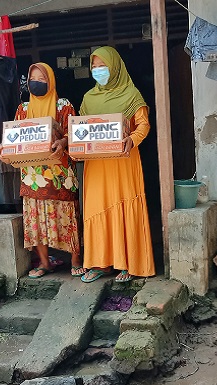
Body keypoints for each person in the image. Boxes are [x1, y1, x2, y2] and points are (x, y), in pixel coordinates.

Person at [0, 62, 85, 278]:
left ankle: (75, 259)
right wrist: (4, 148)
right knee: (36, 218)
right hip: (32, 174)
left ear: (51, 81)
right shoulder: (23, 109)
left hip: (60, 175)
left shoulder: (63, 105)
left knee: (67, 216)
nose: (36, 83)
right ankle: (45, 262)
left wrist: (63, 142)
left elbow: (73, 133)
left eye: (42, 79)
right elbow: (15, 137)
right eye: (33, 79)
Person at [78, 46, 155, 284]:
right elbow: (79, 129)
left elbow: (143, 125)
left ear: (115, 67)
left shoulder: (132, 94)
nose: (98, 70)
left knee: (122, 204)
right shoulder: (88, 98)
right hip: (97, 165)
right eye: (94, 66)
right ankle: (100, 262)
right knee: (97, 208)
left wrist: (131, 140)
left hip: (123, 161)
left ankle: (128, 263)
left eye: (103, 66)